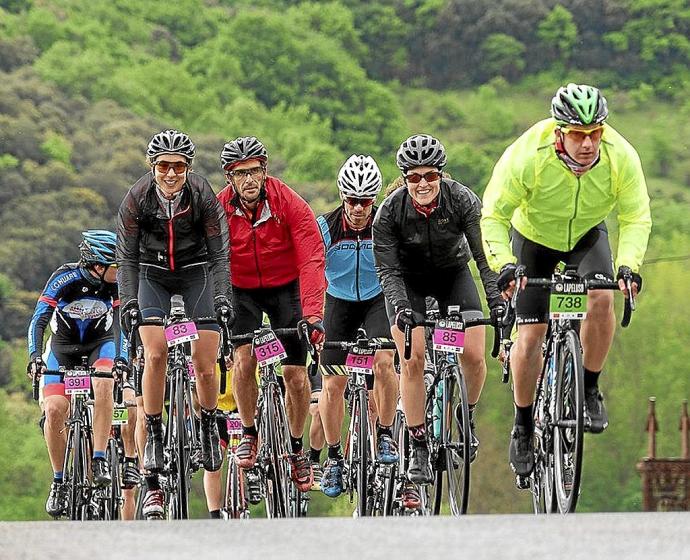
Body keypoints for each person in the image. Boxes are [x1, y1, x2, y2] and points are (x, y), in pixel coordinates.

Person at [480, 83, 651, 477]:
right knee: (531, 334)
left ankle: (589, 386)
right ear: (559, 132)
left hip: (587, 235)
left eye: (595, 133)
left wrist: (629, 267)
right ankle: (523, 425)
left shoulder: (619, 155)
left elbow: (635, 216)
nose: (588, 143)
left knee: (601, 298)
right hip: (534, 240)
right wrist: (504, 264)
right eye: (578, 134)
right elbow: (493, 214)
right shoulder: (529, 154)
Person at [116, 129, 234, 518]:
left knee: (205, 362)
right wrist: (130, 303)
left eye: (178, 167)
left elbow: (220, 255)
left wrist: (222, 297)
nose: (170, 174)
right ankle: (154, 431)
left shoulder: (202, 196)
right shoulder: (137, 198)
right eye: (163, 166)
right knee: (155, 352)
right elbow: (127, 258)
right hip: (151, 273)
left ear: (188, 168)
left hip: (196, 271)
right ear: (153, 167)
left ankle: (206, 421)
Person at [373, 134, 502, 486]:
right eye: (414, 177)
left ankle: (466, 415)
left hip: (452, 276)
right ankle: (416, 443)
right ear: (405, 179)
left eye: (430, 176)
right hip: (407, 283)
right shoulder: (389, 212)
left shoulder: (461, 200)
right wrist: (401, 308)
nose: (423, 183)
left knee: (474, 355)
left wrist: (498, 306)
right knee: (412, 359)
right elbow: (387, 270)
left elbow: (485, 260)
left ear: (441, 176)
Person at [217, 136, 327, 493]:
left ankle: (296, 450)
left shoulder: (288, 203)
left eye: (254, 172)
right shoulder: (218, 210)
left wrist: (312, 316)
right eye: (240, 174)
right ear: (229, 178)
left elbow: (311, 258)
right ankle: (249, 431)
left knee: (295, 376)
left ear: (265, 172)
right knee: (243, 358)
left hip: (286, 288)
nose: (248, 180)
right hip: (241, 289)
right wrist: (213, 313)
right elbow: (211, 264)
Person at [27, 230, 130, 517]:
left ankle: (98, 458)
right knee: (55, 409)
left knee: (104, 384)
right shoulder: (65, 278)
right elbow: (39, 320)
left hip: (101, 345)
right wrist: (34, 357)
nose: (119, 271)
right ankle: (59, 480)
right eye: (114, 266)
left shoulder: (116, 285)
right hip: (62, 349)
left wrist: (122, 359)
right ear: (98, 265)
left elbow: (123, 325)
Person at [316, 155, 398, 498]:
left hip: (377, 300)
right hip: (339, 302)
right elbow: (307, 270)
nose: (359, 208)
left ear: (375, 198)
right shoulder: (326, 226)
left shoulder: (385, 224)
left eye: (366, 201)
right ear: (341, 196)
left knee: (383, 363)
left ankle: (384, 433)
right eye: (352, 200)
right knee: (333, 382)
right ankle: (334, 457)